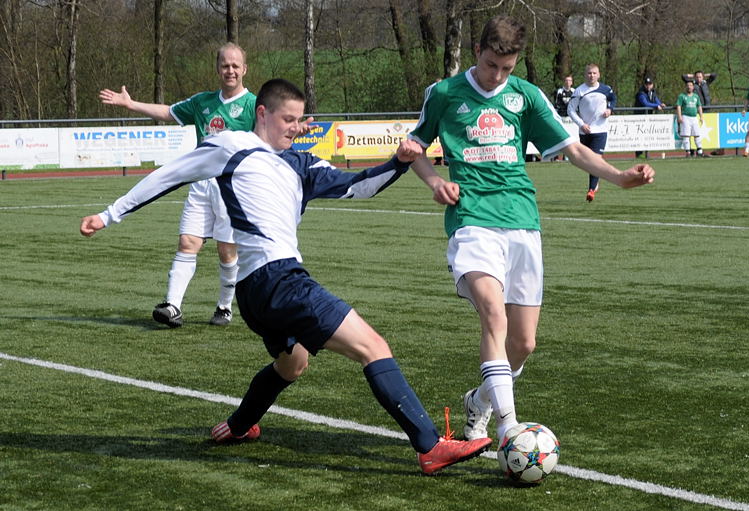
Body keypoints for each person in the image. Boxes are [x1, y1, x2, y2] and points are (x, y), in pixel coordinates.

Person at [81, 78, 493, 475]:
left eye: (300, 120)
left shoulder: (302, 164)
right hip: (279, 280)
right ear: (262, 114)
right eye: (288, 119)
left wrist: (398, 164)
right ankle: (429, 446)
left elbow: (358, 187)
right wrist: (109, 214)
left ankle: (240, 424)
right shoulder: (232, 144)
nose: (296, 128)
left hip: (255, 293)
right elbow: (167, 176)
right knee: (373, 345)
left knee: (293, 364)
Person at [407, 15, 655, 444]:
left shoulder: (525, 96)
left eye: (506, 68)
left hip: (522, 222)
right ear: (477, 52)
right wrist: (434, 181)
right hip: (472, 222)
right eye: (490, 65)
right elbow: (413, 149)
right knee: (493, 313)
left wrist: (618, 177)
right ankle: (509, 429)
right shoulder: (444, 94)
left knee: (523, 344)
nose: (497, 75)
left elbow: (573, 149)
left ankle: (480, 401)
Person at [99, 43, 255, 328]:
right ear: (217, 69)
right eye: (225, 65)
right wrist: (131, 104)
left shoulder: (254, 105)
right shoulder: (202, 102)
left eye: (235, 65)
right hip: (200, 185)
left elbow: (272, 135)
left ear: (244, 69)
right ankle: (172, 305)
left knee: (226, 249)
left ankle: (224, 307)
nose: (230, 70)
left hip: (233, 190)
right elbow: (168, 112)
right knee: (187, 242)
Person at [568, 63, 617, 201]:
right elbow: (570, 110)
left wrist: (610, 109)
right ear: (585, 75)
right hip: (585, 132)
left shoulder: (605, 89)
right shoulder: (579, 91)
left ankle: (591, 190)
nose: (592, 76)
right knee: (589, 163)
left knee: (596, 159)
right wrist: (581, 124)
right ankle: (596, 180)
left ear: (599, 74)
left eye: (594, 73)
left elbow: (613, 99)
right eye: (589, 73)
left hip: (600, 131)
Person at [633, 77, 666, 158]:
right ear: (644, 85)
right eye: (647, 84)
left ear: (652, 85)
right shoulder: (641, 93)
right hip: (640, 117)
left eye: (650, 84)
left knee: (647, 135)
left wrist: (661, 104)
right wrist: (656, 106)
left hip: (648, 117)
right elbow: (645, 103)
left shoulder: (652, 92)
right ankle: (639, 154)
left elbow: (656, 100)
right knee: (640, 136)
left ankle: (646, 153)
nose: (648, 86)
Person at [676, 80, 707, 157]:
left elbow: (699, 106)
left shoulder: (696, 96)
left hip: (694, 117)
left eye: (690, 85)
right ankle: (688, 152)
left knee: (697, 134)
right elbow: (678, 106)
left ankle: (700, 151)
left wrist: (701, 116)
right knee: (686, 135)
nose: (689, 87)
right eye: (688, 85)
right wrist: (679, 116)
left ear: (693, 87)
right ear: (686, 87)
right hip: (685, 117)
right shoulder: (682, 96)